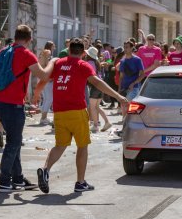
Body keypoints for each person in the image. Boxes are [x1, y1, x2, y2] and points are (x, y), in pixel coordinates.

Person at [35, 38, 128, 194]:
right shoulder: (83, 66)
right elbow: (98, 83)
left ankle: (45, 170)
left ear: (69, 50)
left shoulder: (58, 63)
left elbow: (45, 79)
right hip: (77, 111)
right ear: (84, 53)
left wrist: (36, 93)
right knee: (82, 146)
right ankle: (80, 182)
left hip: (59, 111)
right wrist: (118, 97)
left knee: (60, 145)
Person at [0, 25, 51, 192]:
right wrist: (50, 63)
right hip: (13, 104)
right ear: (29, 39)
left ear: (15, 36)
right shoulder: (26, 54)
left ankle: (18, 179)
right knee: (14, 142)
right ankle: (4, 180)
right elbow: (44, 75)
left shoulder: (4, 51)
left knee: (14, 140)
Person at [85, 46, 111, 133]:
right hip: (100, 85)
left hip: (95, 85)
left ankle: (95, 125)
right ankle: (107, 122)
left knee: (92, 107)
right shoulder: (96, 62)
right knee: (97, 106)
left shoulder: (89, 62)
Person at [38, 41, 55, 127]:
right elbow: (46, 67)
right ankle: (43, 117)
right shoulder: (47, 54)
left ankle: (43, 117)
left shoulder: (42, 54)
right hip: (47, 79)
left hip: (42, 79)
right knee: (49, 99)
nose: (54, 48)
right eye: (53, 46)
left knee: (45, 99)